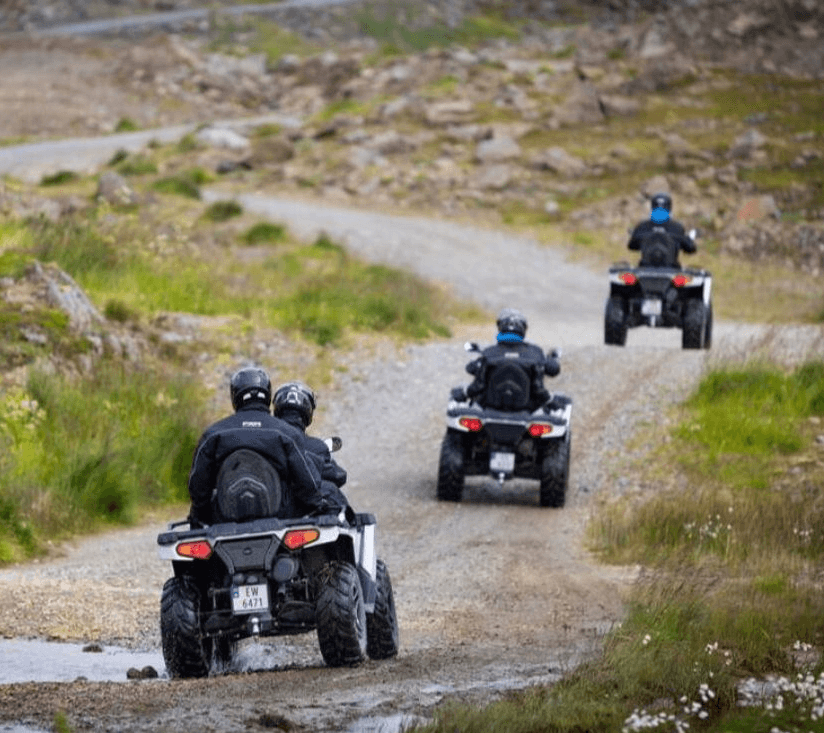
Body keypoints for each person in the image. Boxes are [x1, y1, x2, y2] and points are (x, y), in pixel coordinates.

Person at [187, 366, 330, 527]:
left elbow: (197, 486)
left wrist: (199, 512)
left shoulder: (213, 434)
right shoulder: (286, 433)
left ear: (235, 396)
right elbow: (307, 481)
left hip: (224, 518)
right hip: (281, 515)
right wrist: (319, 504)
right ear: (268, 395)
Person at [451, 308, 561, 412]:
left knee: (457, 404)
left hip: (490, 409)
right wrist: (550, 400)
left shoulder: (489, 352)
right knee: (561, 409)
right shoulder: (535, 353)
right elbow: (547, 378)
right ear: (523, 329)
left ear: (500, 327)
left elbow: (476, 381)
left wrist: (464, 393)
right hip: (527, 410)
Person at [272, 380, 354, 521]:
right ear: (307, 411)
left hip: (268, 510)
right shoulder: (316, 446)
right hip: (302, 513)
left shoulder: (267, 441)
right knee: (332, 493)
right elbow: (338, 475)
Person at [627, 192, 696, 266]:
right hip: (671, 269)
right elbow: (690, 248)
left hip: (645, 269)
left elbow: (632, 246)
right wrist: (689, 238)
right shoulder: (677, 228)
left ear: (652, 207)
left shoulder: (643, 226)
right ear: (670, 208)